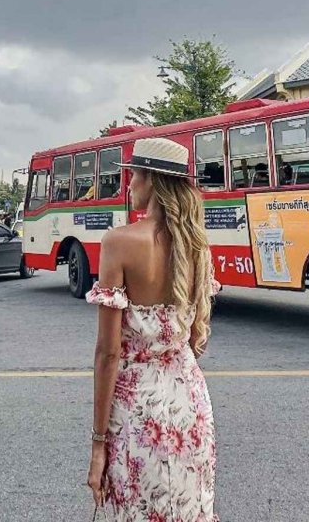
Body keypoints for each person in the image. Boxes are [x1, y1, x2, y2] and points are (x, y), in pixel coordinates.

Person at [86, 137, 219, 520]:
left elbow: (108, 354)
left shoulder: (119, 242)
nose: (129, 185)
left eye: (133, 176)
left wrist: (98, 443)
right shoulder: (196, 245)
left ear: (150, 179)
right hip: (189, 406)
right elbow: (194, 338)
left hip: (140, 412)